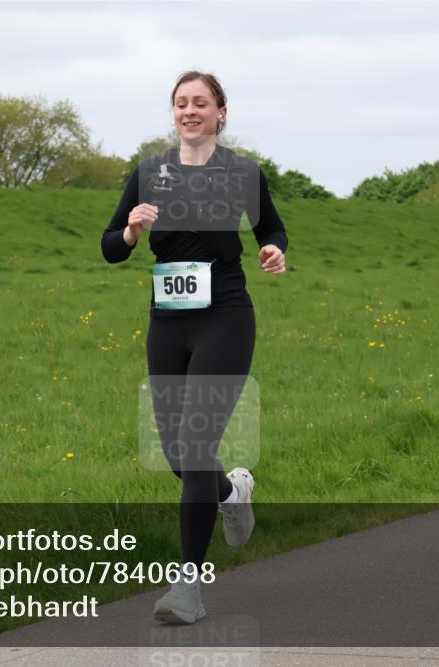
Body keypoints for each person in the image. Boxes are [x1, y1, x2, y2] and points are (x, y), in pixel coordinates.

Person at [101, 70, 288, 624]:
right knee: (180, 454)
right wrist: (132, 232)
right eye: (181, 103)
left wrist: (274, 252)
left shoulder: (242, 173)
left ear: (220, 113)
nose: (189, 110)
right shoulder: (149, 173)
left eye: (200, 103)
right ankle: (232, 494)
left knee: (195, 439)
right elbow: (111, 247)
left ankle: (188, 588)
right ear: (173, 113)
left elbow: (271, 230)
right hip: (168, 321)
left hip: (225, 315)